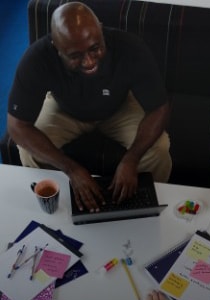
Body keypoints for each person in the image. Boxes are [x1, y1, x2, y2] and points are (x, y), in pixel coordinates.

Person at [7, 2, 171, 212]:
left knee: (159, 148)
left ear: (101, 30)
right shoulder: (36, 59)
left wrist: (131, 160)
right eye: (75, 56)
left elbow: (159, 107)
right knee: (30, 152)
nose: (88, 62)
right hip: (64, 109)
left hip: (119, 108)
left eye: (95, 48)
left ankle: (146, 199)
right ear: (57, 48)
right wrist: (71, 169)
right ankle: (62, 204)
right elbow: (18, 126)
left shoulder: (130, 48)